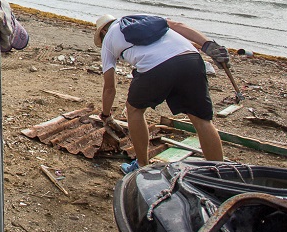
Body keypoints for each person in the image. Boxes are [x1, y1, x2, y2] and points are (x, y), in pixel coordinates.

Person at [94, 14, 230, 174]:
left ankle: (142, 166)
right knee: (202, 120)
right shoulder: (141, 19)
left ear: (103, 31)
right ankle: (220, 174)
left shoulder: (108, 40)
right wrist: (207, 44)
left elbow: (109, 87)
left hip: (156, 66)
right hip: (191, 59)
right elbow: (177, 25)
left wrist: (105, 113)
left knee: (134, 110)